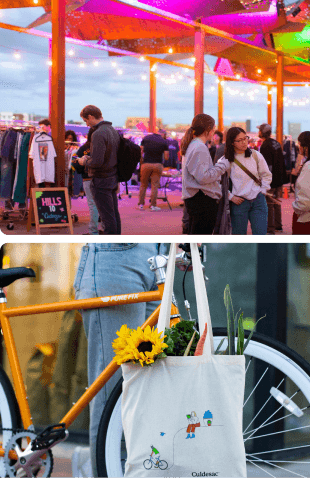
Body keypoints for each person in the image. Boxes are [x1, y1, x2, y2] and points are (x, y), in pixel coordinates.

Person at [73, 242, 196, 476]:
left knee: (153, 387)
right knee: (113, 394)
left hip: (158, 255)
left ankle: (110, 466)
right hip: (117, 257)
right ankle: (100, 467)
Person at [216, 127, 272, 235]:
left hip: (258, 200)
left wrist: (263, 190)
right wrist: (231, 196)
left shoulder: (255, 155)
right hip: (239, 202)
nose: (244, 142)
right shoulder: (226, 160)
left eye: (245, 138)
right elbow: (215, 182)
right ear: (232, 143)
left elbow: (266, 175)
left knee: (261, 235)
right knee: (239, 237)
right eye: (239, 140)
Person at [181, 114, 227, 235]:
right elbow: (203, 177)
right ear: (207, 130)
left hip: (197, 198)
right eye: (213, 128)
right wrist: (222, 166)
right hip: (203, 200)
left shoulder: (193, 145)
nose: (213, 132)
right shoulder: (199, 147)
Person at [78, 105, 121, 235]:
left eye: (86, 120)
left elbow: (97, 162)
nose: (86, 124)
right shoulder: (112, 130)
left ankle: (110, 243)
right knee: (113, 214)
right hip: (112, 176)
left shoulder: (98, 133)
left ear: (91, 117)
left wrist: (84, 161)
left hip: (101, 179)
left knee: (107, 217)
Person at [257, 123, 287, 234]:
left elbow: (267, 165)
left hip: (271, 180)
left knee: (268, 204)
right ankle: (278, 226)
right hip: (279, 179)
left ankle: (270, 228)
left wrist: (264, 181)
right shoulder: (276, 143)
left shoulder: (265, 145)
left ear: (262, 132)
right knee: (277, 203)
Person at [72, 128, 100, 235]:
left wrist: (81, 168)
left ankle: (93, 232)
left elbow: (74, 162)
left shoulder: (83, 148)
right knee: (103, 203)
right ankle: (104, 229)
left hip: (87, 178)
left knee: (92, 204)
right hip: (101, 178)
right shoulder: (102, 147)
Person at [138, 130, 169, 211]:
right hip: (157, 165)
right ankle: (152, 205)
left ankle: (141, 204)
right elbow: (166, 157)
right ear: (163, 134)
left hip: (146, 164)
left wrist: (142, 162)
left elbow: (141, 151)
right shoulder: (164, 141)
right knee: (154, 185)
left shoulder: (146, 138)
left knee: (143, 185)